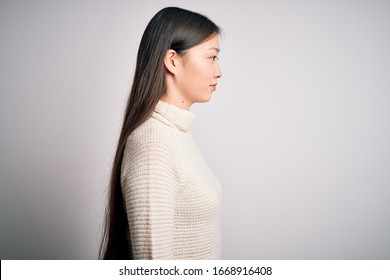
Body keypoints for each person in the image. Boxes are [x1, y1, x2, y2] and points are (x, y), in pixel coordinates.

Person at [99, 6, 223, 260]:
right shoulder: (153, 143)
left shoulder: (176, 134)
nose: (218, 71)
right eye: (212, 57)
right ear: (172, 61)